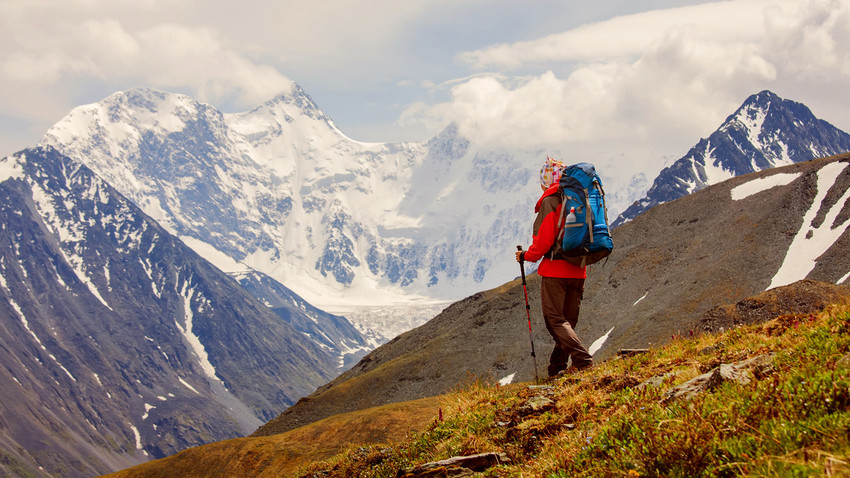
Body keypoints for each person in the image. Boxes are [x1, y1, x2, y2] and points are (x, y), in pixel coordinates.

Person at [516, 156, 593, 378]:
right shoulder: (581, 197)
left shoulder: (551, 201)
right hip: (579, 268)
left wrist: (525, 256)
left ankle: (582, 359)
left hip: (555, 270)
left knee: (555, 320)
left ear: (548, 180)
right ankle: (557, 366)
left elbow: (543, 242)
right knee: (568, 321)